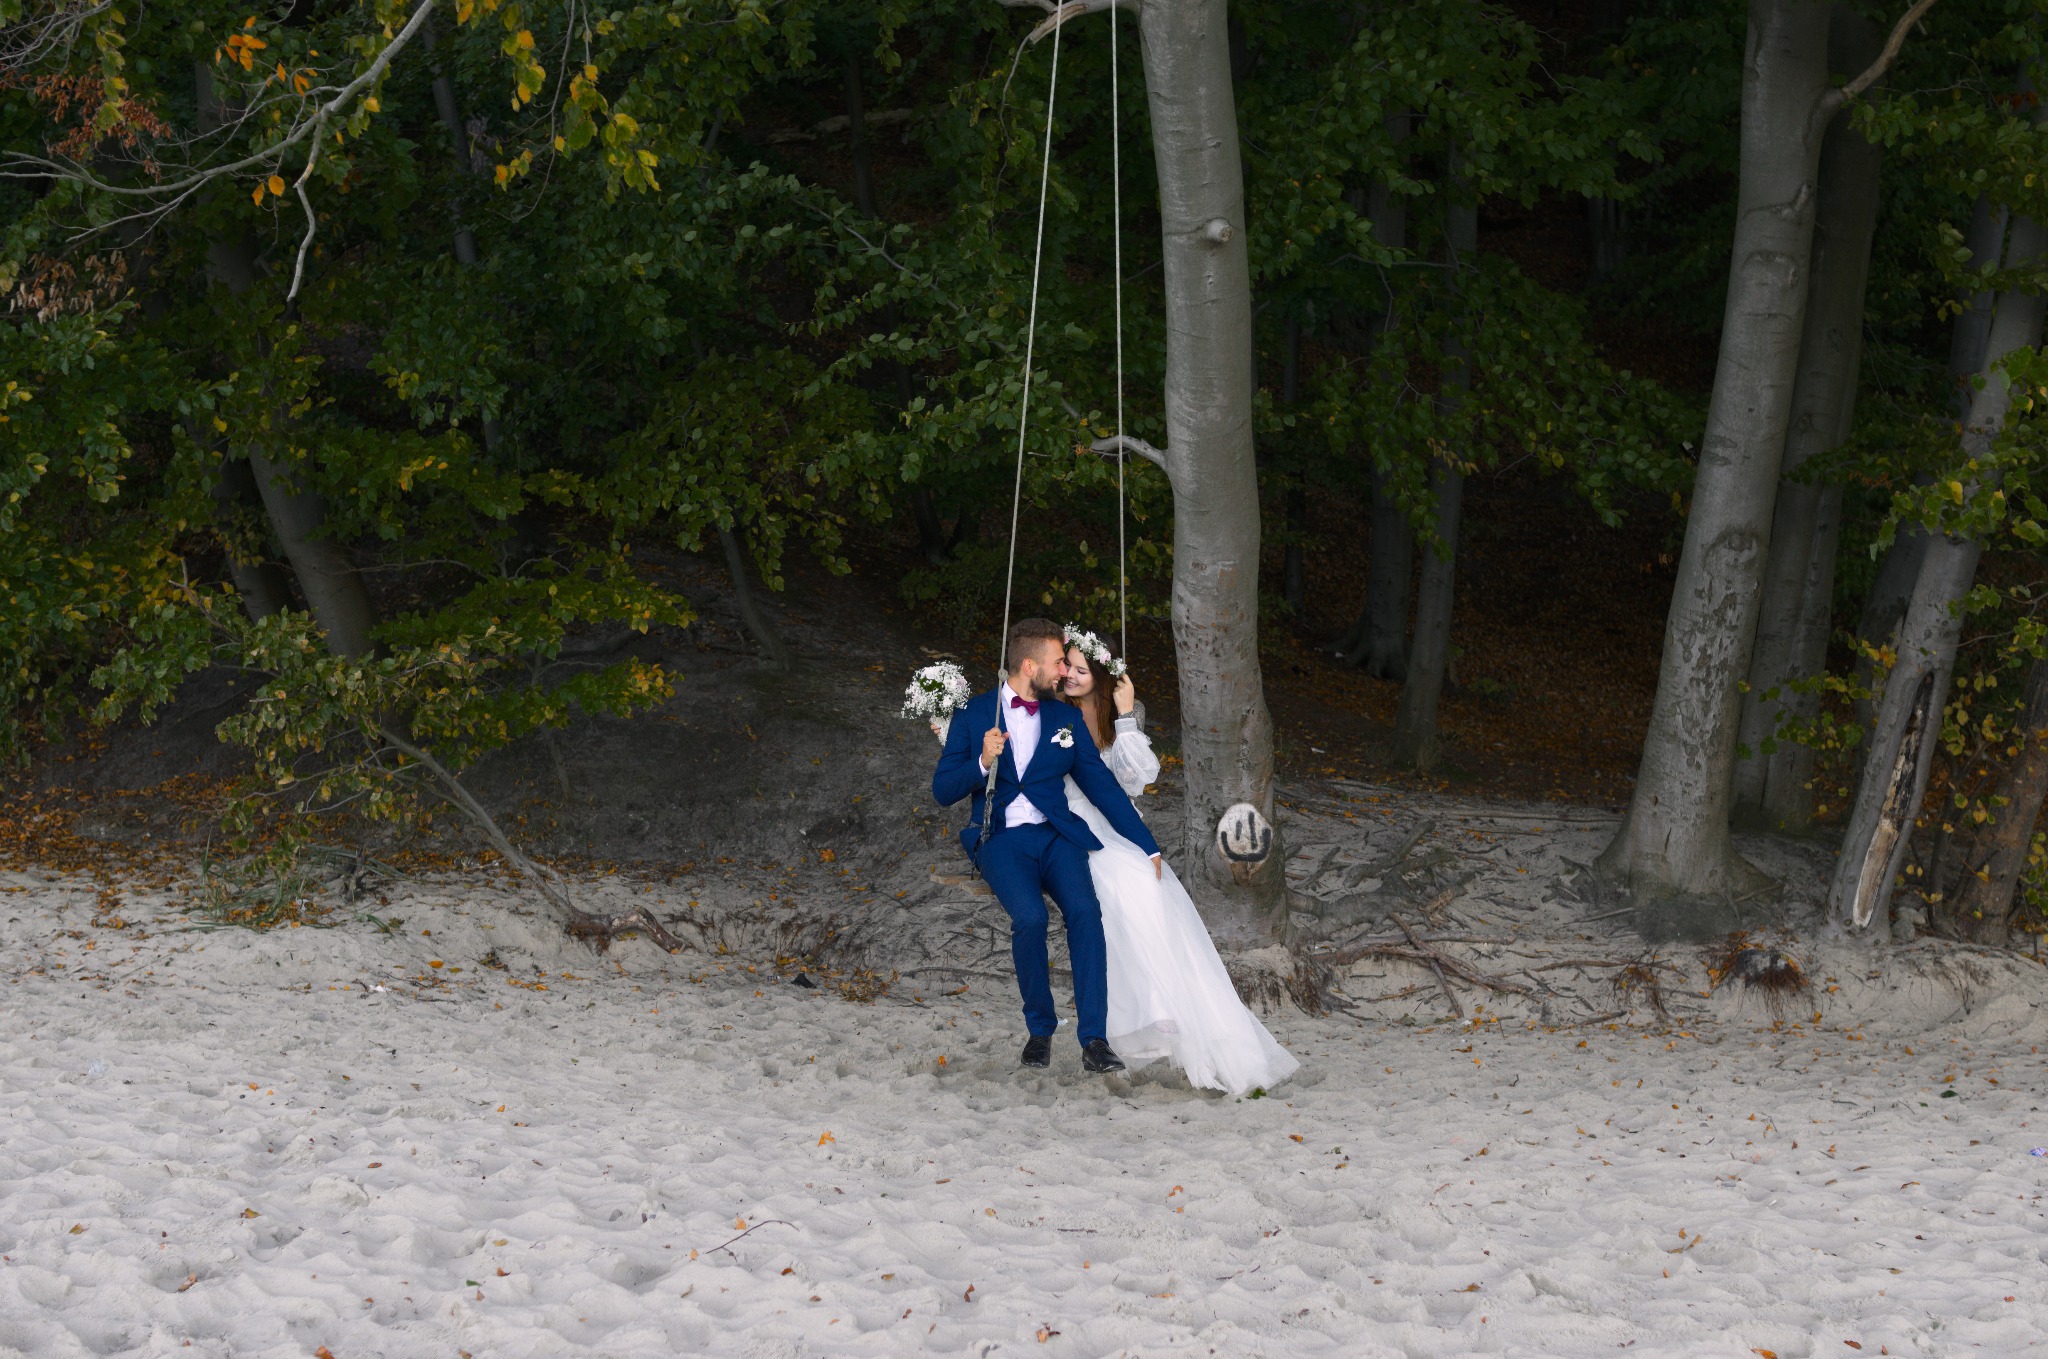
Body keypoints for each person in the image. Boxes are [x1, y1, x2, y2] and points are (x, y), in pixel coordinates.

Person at [1059, 627, 1299, 1097]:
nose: (1067, 674)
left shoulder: (1122, 714)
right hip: (1072, 826)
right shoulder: (1055, 712)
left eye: (1080, 669)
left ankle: (1171, 1015)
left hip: (1117, 825)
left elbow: (1137, 780)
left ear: (1104, 678)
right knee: (1116, 895)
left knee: (1153, 895)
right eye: (1066, 665)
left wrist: (1126, 717)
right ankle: (1141, 1018)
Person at [931, 618, 1163, 1074]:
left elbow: (1100, 786)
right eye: (1059, 662)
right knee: (1031, 918)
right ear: (1030, 664)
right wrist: (981, 761)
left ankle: (1094, 1039)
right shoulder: (975, 714)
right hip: (1000, 839)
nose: (1064, 671)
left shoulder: (1063, 717)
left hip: (1057, 835)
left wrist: (1147, 845)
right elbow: (942, 791)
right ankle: (1040, 1030)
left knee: (1085, 912)